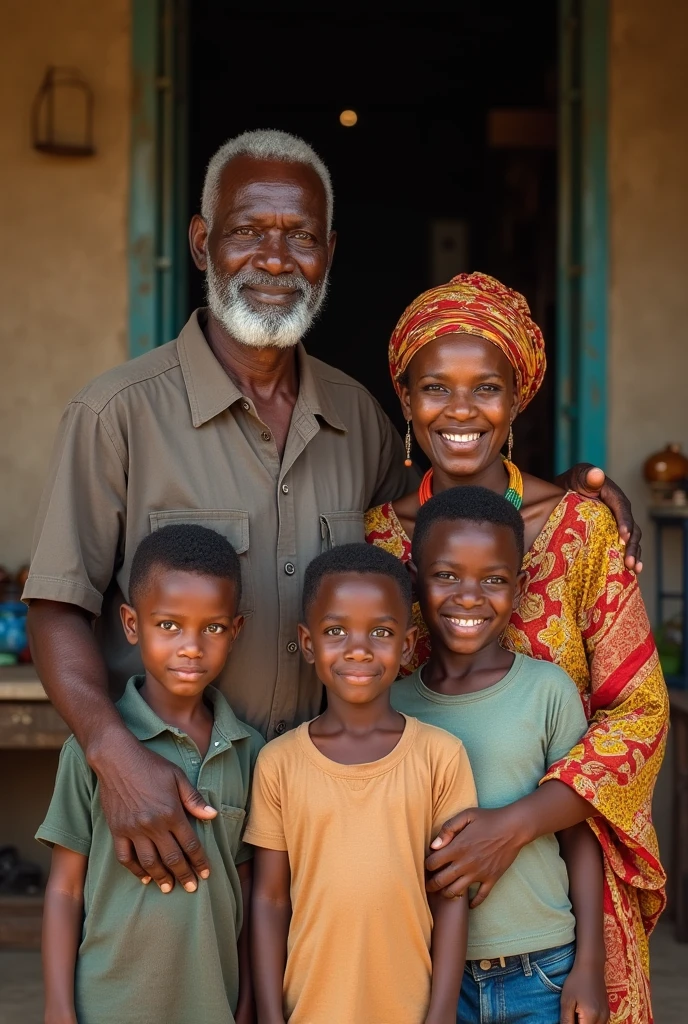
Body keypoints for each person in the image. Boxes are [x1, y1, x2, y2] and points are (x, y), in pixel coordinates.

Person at [25, 129, 641, 898]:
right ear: (200, 242)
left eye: (301, 237)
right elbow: (58, 605)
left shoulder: (361, 420)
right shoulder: (116, 414)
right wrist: (115, 757)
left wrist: (578, 494)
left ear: (330, 252)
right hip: (171, 805)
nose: (276, 259)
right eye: (248, 230)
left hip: (330, 827)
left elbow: (448, 522)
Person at [365, 272, 668, 1024]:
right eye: (435, 388)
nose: (460, 410)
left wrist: (519, 823)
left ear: (517, 399)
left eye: (486, 389)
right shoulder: (375, 539)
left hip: (556, 925)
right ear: (405, 402)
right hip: (414, 918)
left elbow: (639, 713)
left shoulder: (582, 528)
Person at [392, 486, 608, 1024]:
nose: (469, 596)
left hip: (544, 968)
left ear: (518, 585)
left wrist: (590, 964)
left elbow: (579, 834)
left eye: (493, 579)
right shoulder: (390, 704)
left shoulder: (547, 690)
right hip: (433, 976)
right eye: (446, 575)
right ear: (415, 578)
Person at [36, 524, 263, 1024]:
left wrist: (247, 1003)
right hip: (108, 1005)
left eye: (214, 628)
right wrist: (57, 1007)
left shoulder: (251, 751)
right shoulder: (93, 753)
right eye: (169, 625)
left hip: (213, 1005)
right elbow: (64, 889)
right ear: (132, 624)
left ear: (236, 630)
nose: (191, 646)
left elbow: (248, 889)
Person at [245, 543, 477, 1024]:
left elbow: (451, 896)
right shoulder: (278, 763)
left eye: (381, 632)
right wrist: (270, 1016)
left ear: (408, 646)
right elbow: (269, 900)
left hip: (409, 1010)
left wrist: (441, 1015)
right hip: (308, 1009)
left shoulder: (441, 756)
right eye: (335, 631)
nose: (357, 648)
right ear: (308, 644)